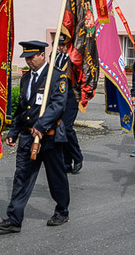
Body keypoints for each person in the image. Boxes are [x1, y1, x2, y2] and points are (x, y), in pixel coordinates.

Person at [0, 41, 70, 233]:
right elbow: (22, 108)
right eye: (26, 57)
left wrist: (41, 125)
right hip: (28, 137)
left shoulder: (56, 76)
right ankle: (14, 219)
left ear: (42, 55)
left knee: (56, 176)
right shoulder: (26, 78)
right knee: (22, 177)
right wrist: (14, 131)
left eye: (32, 57)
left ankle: (62, 210)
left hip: (49, 137)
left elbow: (57, 105)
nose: (28, 61)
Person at [58, 35, 83, 174]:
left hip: (71, 96)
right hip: (59, 98)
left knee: (67, 128)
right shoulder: (55, 57)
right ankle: (66, 162)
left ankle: (77, 157)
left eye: (64, 45)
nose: (61, 47)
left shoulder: (74, 59)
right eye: (60, 44)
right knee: (60, 130)